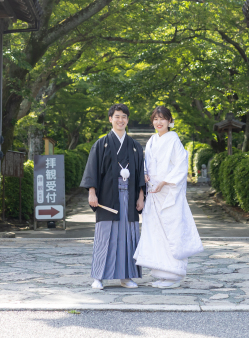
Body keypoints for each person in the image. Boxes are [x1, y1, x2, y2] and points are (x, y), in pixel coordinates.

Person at [134, 106, 203, 288]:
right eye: (155, 119)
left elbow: (181, 165)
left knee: (171, 231)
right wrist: (145, 174)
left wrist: (164, 182)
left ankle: (174, 275)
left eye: (162, 118)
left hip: (168, 193)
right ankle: (161, 273)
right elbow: (146, 163)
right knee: (156, 232)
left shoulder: (174, 140)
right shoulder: (151, 140)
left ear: (169, 121)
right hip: (153, 192)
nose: (159, 122)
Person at [80, 103, 146, 290]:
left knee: (128, 236)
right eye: (117, 116)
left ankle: (126, 277)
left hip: (129, 196)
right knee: (105, 235)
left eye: (124, 117)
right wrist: (92, 192)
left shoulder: (134, 146)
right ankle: (98, 277)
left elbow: (140, 173)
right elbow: (92, 170)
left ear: (127, 120)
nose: (120, 120)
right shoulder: (101, 144)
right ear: (110, 119)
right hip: (108, 196)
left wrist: (141, 197)